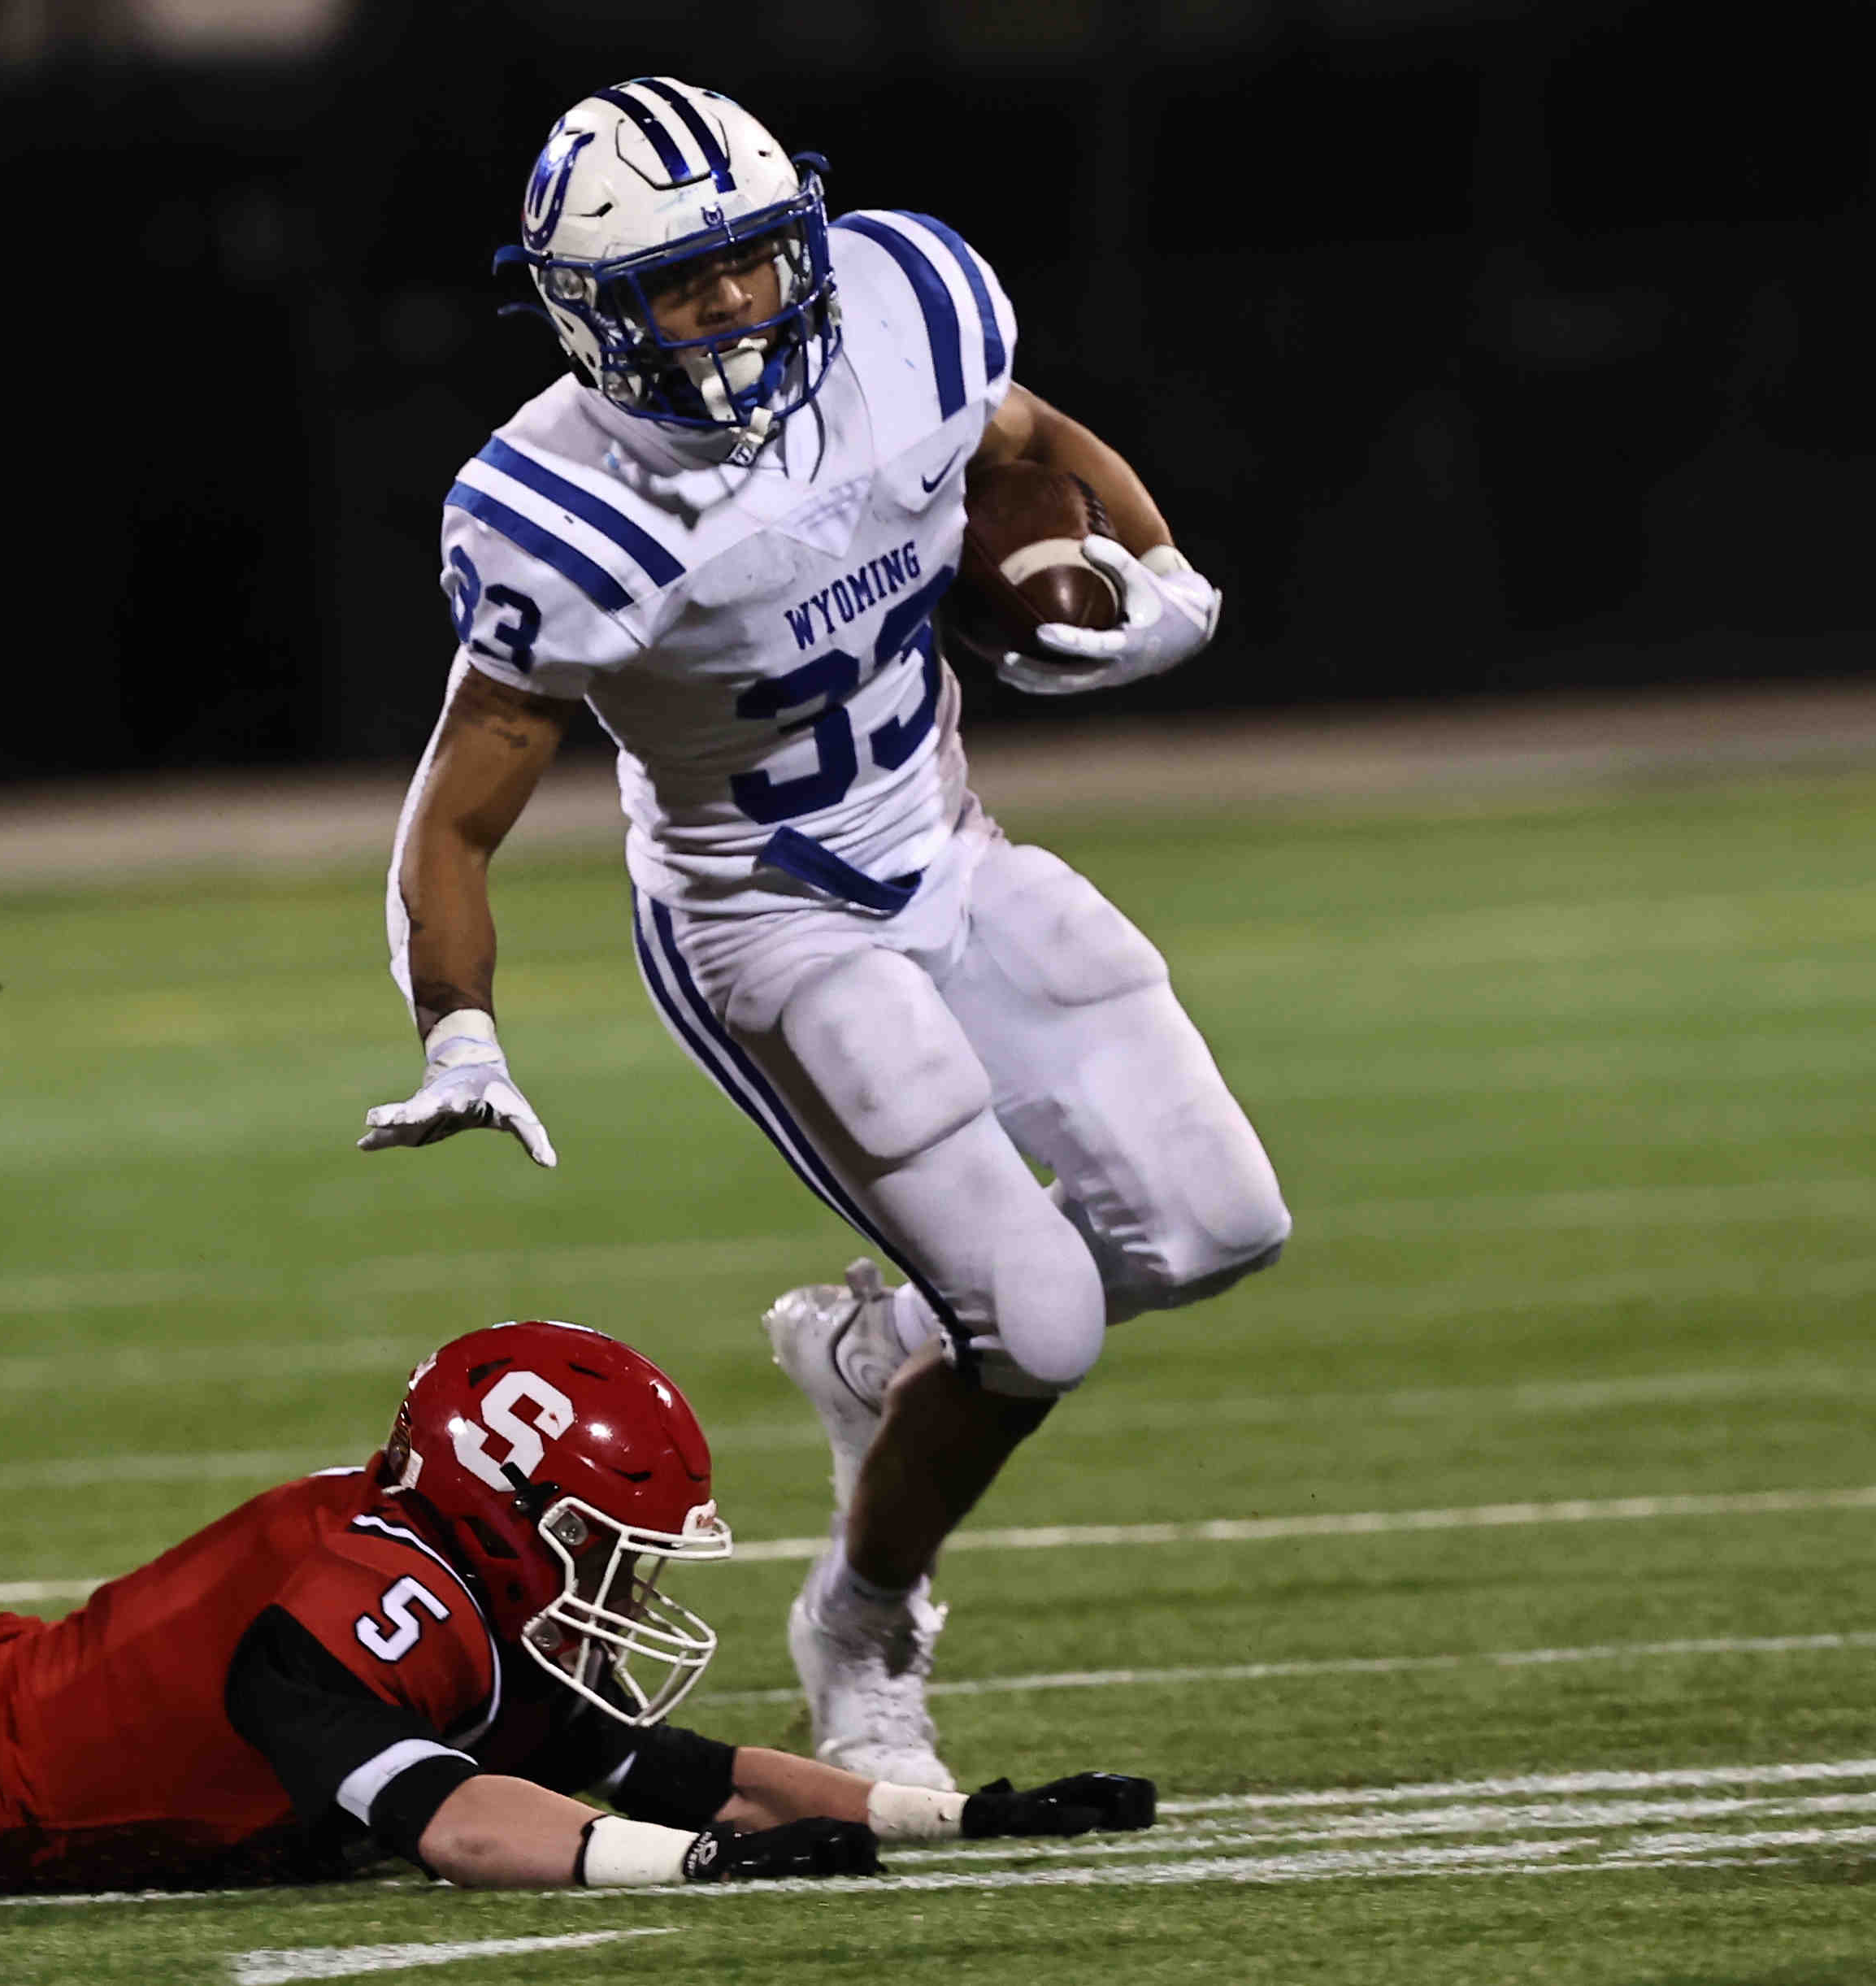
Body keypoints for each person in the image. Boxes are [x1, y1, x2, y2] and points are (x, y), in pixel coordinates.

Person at [361, 78, 1292, 1790]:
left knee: (1220, 1226)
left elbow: (1026, 443)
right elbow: (457, 811)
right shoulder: (556, 510)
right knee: (1041, 1328)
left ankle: (882, 1355)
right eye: (679, 285)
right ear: (588, 314)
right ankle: (860, 1625)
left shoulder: (902, 300)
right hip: (766, 919)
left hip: (949, 846)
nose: (734, 305)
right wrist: (458, 1027)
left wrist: (1158, 574)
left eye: (753, 261)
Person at [0, 1175, 1153, 1931]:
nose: (626, 1582)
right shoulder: (373, 1598)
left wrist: (948, 1817)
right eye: (601, 1541)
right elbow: (456, 1824)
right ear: (503, 1507)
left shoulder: (421, 1577)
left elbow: (668, 1763)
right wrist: (698, 1871)